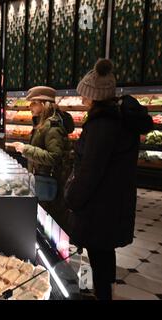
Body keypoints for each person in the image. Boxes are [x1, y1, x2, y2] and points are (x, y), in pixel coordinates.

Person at [64, 59, 153, 300]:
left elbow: (91, 170)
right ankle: (105, 293)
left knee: (99, 258)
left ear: (95, 96)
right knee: (104, 256)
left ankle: (102, 295)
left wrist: (72, 196)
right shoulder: (120, 120)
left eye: (85, 96)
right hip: (112, 203)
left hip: (99, 207)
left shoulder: (102, 125)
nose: (82, 100)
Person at [11, 86, 74, 230]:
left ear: (42, 103)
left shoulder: (52, 126)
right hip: (45, 181)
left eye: (33, 102)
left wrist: (26, 149)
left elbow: (54, 157)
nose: (29, 106)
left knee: (52, 225)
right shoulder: (43, 123)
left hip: (50, 183)